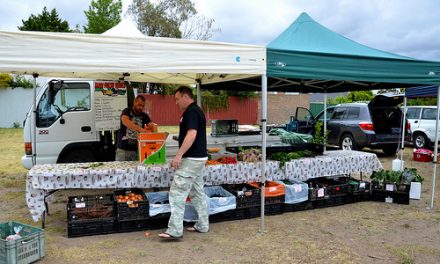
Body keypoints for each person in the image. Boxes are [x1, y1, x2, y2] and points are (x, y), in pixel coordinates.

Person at [159, 86, 209, 240]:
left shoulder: (192, 111)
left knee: (177, 192)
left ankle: (174, 230)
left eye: (177, 99)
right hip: (199, 158)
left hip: (192, 159)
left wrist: (178, 155)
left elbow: (192, 133)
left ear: (185, 96)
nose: (176, 102)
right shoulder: (196, 110)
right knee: (196, 191)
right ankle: (203, 224)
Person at [115, 95, 156, 161]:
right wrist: (141, 129)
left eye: (143, 106)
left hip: (137, 150)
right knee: (120, 170)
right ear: (134, 102)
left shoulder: (144, 116)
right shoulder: (127, 111)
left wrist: (155, 136)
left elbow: (152, 125)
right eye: (139, 105)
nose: (141, 107)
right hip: (123, 150)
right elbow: (125, 121)